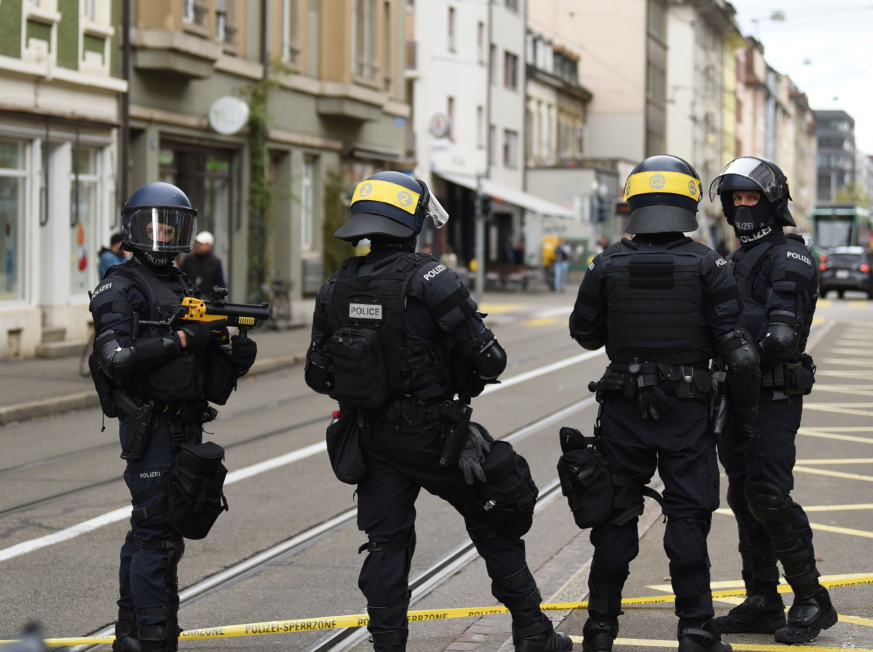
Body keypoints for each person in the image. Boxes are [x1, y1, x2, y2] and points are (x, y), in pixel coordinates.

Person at [305, 171, 571, 652]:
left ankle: (388, 645)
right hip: (434, 436)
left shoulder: (335, 286)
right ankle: (532, 631)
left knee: (386, 544)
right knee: (496, 512)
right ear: (411, 223)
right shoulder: (430, 278)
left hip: (371, 438)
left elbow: (317, 376)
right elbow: (491, 359)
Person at [567, 155, 761, 652]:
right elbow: (735, 351)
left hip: (623, 410)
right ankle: (695, 630)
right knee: (688, 519)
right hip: (688, 411)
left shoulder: (607, 262)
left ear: (635, 202)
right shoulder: (708, 265)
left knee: (615, 518)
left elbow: (584, 334)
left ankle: (599, 629)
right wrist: (746, 418)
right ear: (688, 200)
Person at [89, 183, 258, 652]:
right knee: (156, 537)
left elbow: (209, 381)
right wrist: (185, 339)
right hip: (150, 425)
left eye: (171, 225)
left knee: (157, 530)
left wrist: (234, 353)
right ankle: (155, 638)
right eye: (153, 224)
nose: (162, 234)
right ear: (134, 228)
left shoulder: (183, 284)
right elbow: (117, 358)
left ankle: (131, 634)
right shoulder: (118, 286)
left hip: (187, 423)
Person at [706, 157, 836, 644]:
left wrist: (735, 355)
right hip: (732, 398)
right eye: (735, 199)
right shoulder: (735, 259)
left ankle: (811, 599)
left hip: (773, 394)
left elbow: (780, 336)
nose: (742, 208)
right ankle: (762, 599)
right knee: (743, 498)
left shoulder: (790, 256)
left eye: (750, 198)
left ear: (772, 201)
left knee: (769, 496)